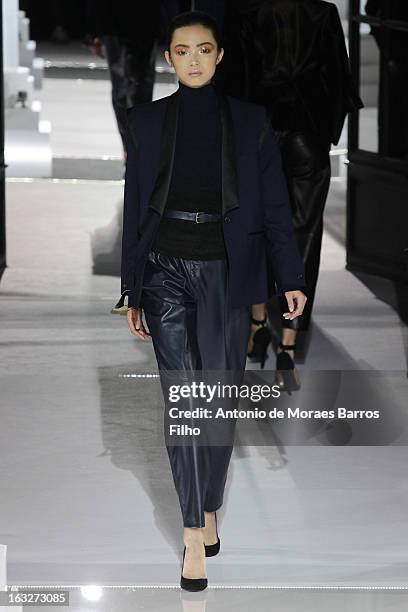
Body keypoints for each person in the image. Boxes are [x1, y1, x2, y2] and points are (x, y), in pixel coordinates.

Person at [119, 10, 307, 591]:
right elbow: (135, 207)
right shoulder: (146, 122)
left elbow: (276, 206)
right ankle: (192, 531)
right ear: (169, 59)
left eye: (204, 50)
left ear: (219, 56)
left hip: (228, 270)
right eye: (182, 51)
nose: (194, 60)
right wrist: (131, 285)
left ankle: (208, 502)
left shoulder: (251, 122)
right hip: (165, 269)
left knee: (217, 400)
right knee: (185, 399)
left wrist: (291, 276)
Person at [221, 0, 363, 385]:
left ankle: (255, 326)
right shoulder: (323, 13)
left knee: (257, 233)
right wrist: (320, 135)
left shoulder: (248, 12)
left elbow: (235, 83)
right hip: (306, 141)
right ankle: (287, 345)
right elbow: (341, 84)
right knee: (304, 238)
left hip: (260, 141)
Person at [85, 0, 160, 156]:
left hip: (141, 18)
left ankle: (136, 150)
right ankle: (132, 150)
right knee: (126, 89)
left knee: (137, 88)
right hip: (117, 21)